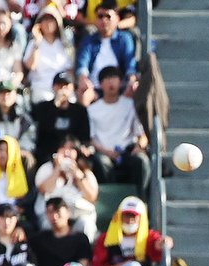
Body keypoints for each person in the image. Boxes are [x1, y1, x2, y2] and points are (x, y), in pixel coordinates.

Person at [86, 65, 149, 193]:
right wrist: (107, 152)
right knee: (100, 162)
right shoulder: (92, 110)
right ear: (100, 84)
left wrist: (139, 146)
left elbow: (141, 134)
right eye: (106, 79)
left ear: (120, 82)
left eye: (114, 78)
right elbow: (91, 140)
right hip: (104, 153)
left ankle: (141, 200)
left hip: (127, 151)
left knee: (142, 161)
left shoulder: (130, 104)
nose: (111, 82)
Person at [75, 1, 137, 106]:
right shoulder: (88, 40)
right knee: (83, 95)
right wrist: (83, 80)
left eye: (108, 16)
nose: (104, 20)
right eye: (100, 16)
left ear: (117, 18)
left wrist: (131, 82)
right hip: (95, 90)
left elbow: (130, 66)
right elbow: (82, 65)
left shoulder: (125, 38)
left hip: (119, 90)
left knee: (135, 89)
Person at [33, 136, 97, 238]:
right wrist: (57, 169)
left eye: (71, 149)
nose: (67, 152)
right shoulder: (46, 168)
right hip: (52, 215)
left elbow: (91, 197)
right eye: (63, 148)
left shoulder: (85, 171)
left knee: (87, 225)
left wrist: (77, 174)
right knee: (46, 225)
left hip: (78, 215)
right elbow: (44, 190)